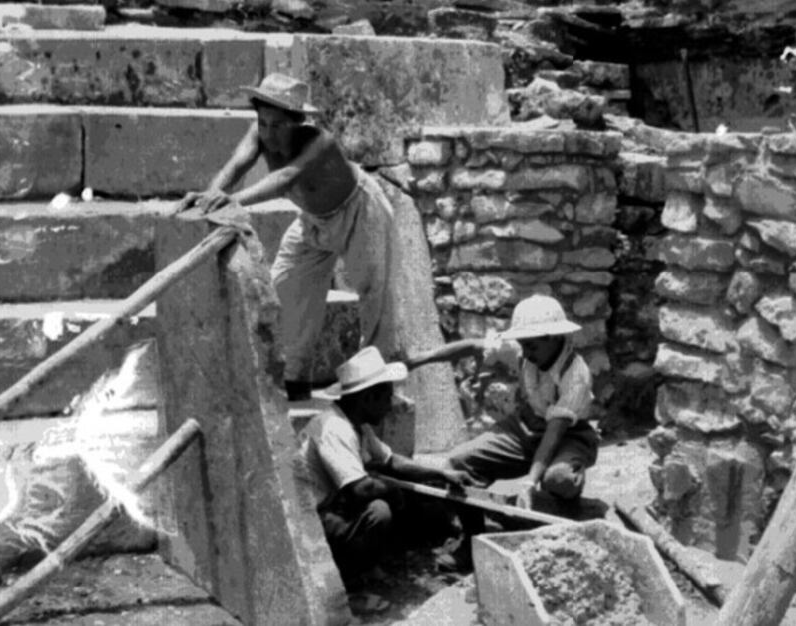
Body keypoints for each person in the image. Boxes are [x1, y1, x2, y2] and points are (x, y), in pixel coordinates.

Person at [176, 73, 398, 402]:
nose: (268, 132)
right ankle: (294, 381)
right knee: (285, 288)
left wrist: (234, 201)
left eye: (277, 125)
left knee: (374, 297)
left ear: (296, 122)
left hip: (359, 212)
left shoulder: (319, 142)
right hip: (313, 220)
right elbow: (237, 163)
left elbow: (284, 177)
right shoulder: (258, 133)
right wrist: (211, 193)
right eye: (263, 123)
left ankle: (377, 389)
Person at [405, 294, 602, 569]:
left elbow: (554, 433)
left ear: (552, 337)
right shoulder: (524, 350)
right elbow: (472, 346)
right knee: (459, 463)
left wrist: (530, 481)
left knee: (557, 479)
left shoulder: (575, 374)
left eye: (532, 345)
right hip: (525, 427)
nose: (526, 352)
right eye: (523, 344)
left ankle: (566, 508)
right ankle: (473, 542)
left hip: (569, 435)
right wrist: (418, 360)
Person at [295, 346, 475, 588]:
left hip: (331, 507)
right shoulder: (334, 427)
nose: (391, 405)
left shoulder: (359, 425)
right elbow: (361, 489)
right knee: (379, 510)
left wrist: (441, 473)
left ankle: (367, 564)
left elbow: (392, 461)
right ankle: (347, 581)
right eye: (387, 397)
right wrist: (391, 490)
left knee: (397, 496)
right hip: (309, 520)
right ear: (367, 398)